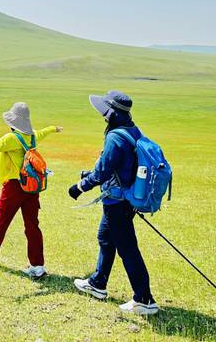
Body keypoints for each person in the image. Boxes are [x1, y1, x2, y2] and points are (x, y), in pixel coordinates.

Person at [68, 90, 159, 316]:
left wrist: (79, 187)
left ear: (112, 113)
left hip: (117, 202)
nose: (103, 116)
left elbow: (102, 172)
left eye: (105, 112)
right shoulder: (132, 129)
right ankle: (98, 283)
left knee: (127, 249)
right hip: (123, 198)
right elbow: (117, 166)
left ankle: (144, 299)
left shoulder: (115, 137)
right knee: (106, 239)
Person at [0, 102, 62, 279]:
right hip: (32, 187)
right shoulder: (32, 136)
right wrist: (53, 128)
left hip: (14, 187)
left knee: (2, 219)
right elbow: (43, 132)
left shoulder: (12, 138)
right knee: (32, 225)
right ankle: (37, 266)